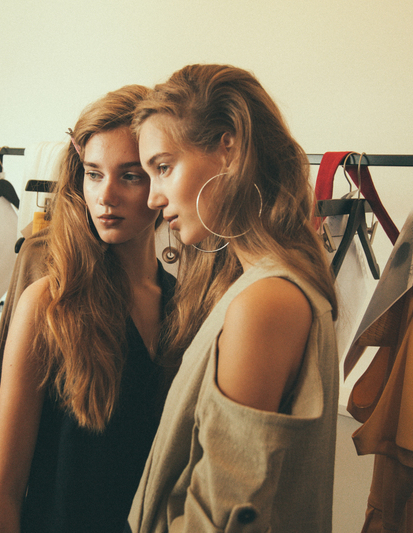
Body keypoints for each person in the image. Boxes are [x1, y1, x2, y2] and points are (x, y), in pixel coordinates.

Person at [127, 64, 340, 532]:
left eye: (163, 168)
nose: (153, 198)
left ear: (229, 148)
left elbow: (217, 518)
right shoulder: (260, 286)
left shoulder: (265, 302)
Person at [0, 85, 176, 533]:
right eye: (93, 174)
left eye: (130, 176)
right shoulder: (49, 304)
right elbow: (2, 493)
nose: (106, 195)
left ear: (160, 179)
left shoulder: (187, 306)